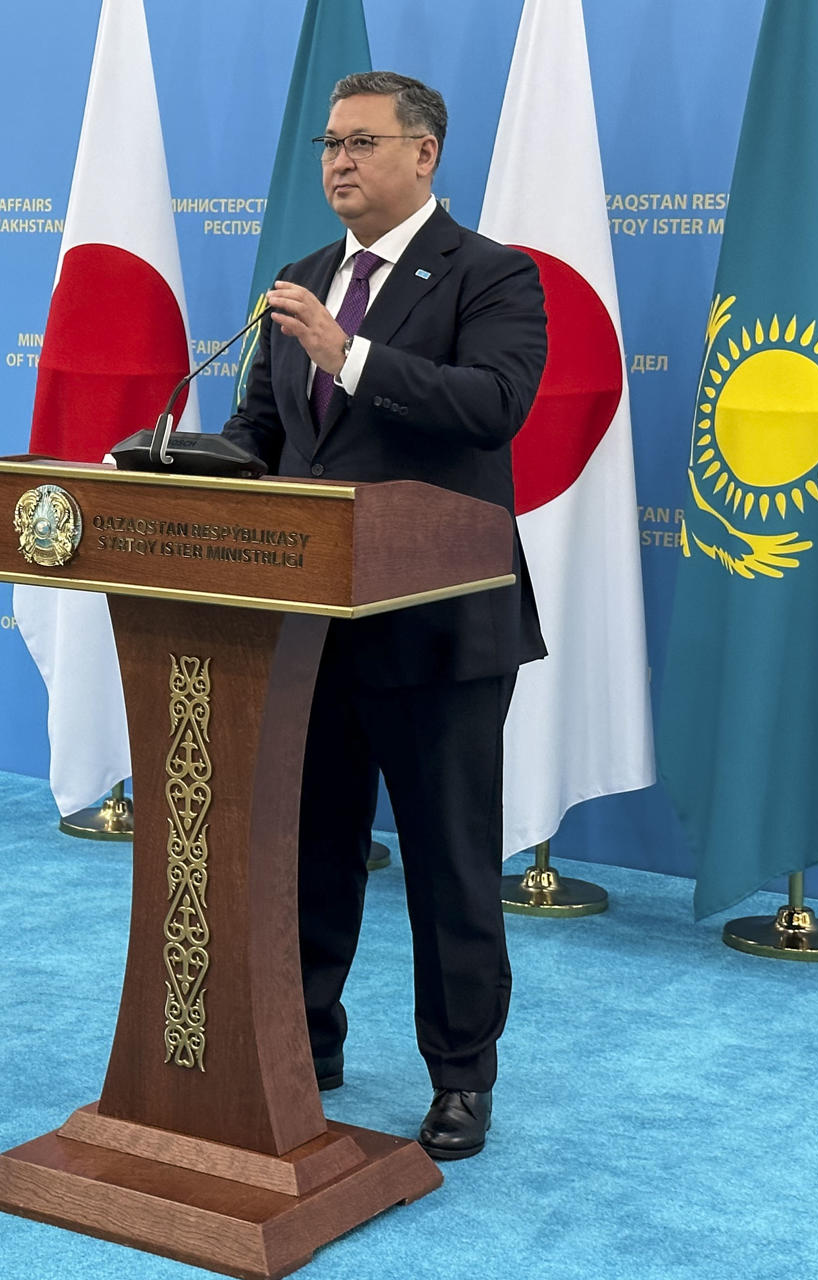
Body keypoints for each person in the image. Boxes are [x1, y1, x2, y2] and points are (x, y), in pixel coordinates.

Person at [221, 72, 548, 1159]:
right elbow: (266, 433)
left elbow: (492, 405)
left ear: (426, 155)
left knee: (448, 856)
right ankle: (305, 1041)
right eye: (329, 143)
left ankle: (461, 1074)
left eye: (362, 142)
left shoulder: (494, 276)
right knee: (311, 847)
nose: (338, 162)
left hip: (441, 625)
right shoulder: (305, 278)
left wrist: (345, 353)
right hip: (313, 623)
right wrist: (179, 463)